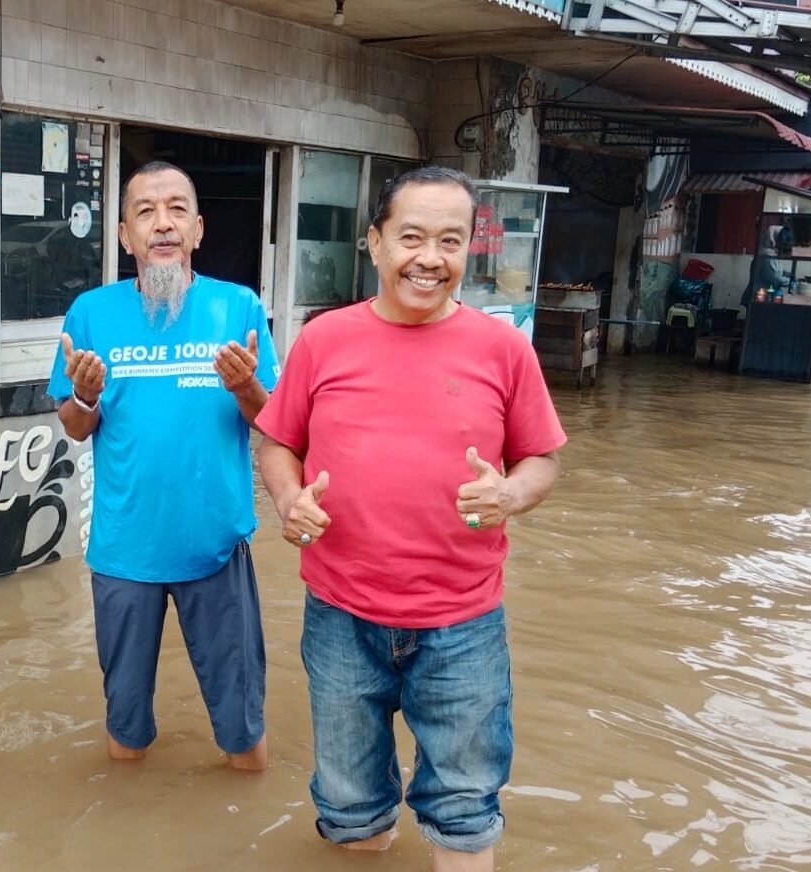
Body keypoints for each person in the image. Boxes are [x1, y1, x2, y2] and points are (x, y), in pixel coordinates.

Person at [255, 166, 566, 871]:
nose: (431, 258)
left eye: (451, 241)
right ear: (374, 242)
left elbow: (542, 461)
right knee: (351, 812)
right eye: (413, 237)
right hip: (340, 616)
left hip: (463, 623)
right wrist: (287, 497)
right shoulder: (324, 339)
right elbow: (277, 441)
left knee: (465, 814)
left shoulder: (503, 348)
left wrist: (509, 496)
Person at [48, 161, 280, 771]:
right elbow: (72, 426)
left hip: (216, 544)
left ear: (198, 229)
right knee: (124, 733)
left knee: (243, 734)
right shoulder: (91, 314)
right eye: (145, 211)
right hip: (124, 551)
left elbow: (274, 423)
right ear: (125, 235)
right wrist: (86, 397)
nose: (163, 224)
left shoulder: (239, 306)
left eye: (177, 209)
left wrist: (246, 387)